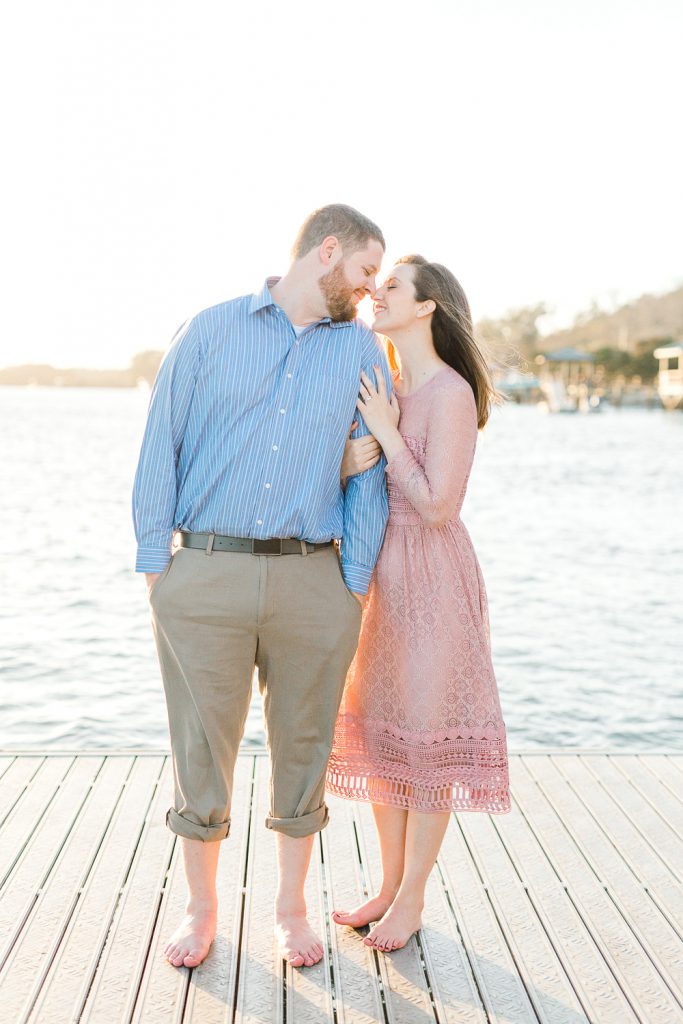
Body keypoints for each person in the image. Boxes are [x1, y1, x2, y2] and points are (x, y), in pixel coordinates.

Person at [132, 204, 393, 970]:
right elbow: (160, 445)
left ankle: (289, 910)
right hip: (202, 573)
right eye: (366, 271)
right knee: (199, 749)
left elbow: (368, 472)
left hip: (314, 577)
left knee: (302, 749)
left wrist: (350, 581)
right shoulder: (210, 330)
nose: (372, 289)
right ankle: (201, 908)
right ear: (328, 251)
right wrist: (158, 568)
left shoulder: (360, 351)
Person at [326, 255, 511, 952]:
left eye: (393, 287)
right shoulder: (385, 380)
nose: (379, 295)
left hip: (432, 578)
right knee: (382, 739)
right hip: (379, 575)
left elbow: (437, 504)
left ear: (427, 306)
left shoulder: (449, 392)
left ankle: (411, 898)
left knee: (427, 743)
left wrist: (388, 430)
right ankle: (386, 883)